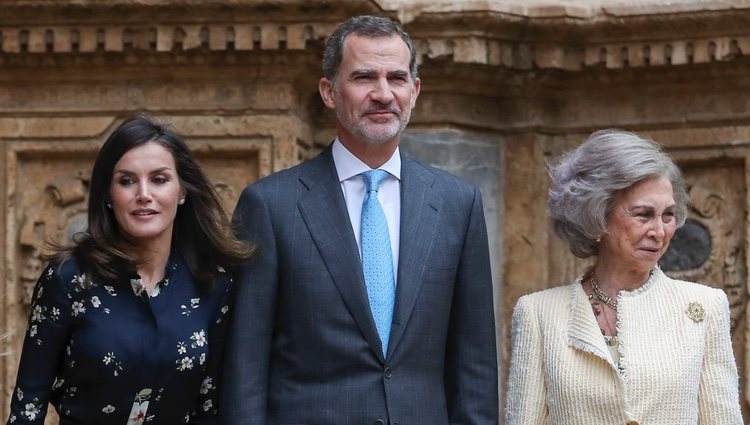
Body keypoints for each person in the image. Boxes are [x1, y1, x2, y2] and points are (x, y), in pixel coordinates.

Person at [221, 14, 498, 425]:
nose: (383, 94)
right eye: (364, 77)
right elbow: (245, 366)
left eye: (397, 78)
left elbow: (474, 364)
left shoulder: (458, 203)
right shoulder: (270, 205)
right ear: (329, 91)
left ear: (415, 90)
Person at [6, 115, 255, 425]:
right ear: (109, 196)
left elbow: (209, 406)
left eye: (159, 179)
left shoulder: (213, 283)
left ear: (182, 191)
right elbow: (28, 405)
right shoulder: (68, 279)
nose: (143, 194)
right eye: (127, 181)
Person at [505, 129, 743, 424]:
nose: (659, 231)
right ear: (597, 215)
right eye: (643, 214)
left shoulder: (704, 307)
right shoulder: (538, 314)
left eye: (668, 215)